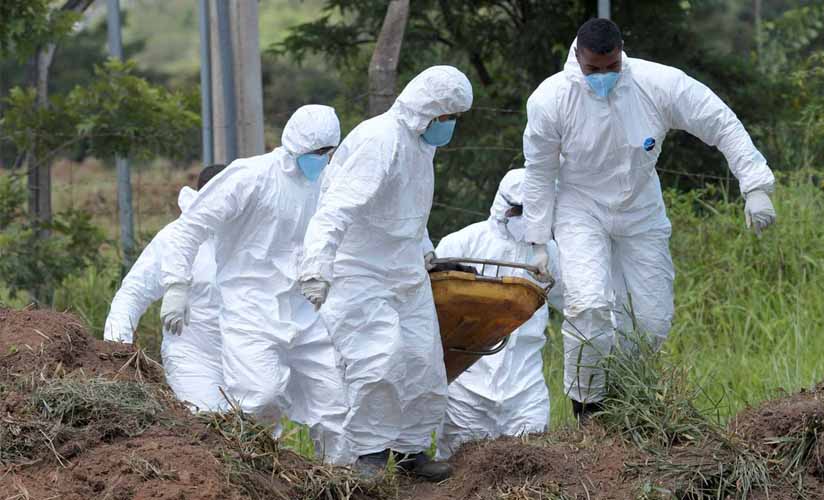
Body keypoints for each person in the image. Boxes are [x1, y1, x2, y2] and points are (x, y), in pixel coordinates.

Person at [522, 19, 777, 417]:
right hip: (581, 207)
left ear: (621, 53)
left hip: (640, 207)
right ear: (578, 58)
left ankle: (626, 394)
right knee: (588, 305)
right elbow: (539, 171)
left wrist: (755, 185)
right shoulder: (551, 99)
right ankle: (588, 409)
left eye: (611, 67)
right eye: (593, 70)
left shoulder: (658, 84)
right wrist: (537, 240)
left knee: (652, 320)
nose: (603, 77)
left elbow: (719, 121)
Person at [297, 66, 473, 480]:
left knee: (422, 361)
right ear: (428, 111)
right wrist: (317, 266)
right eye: (448, 117)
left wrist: (429, 256)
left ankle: (411, 451)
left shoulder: (420, 146)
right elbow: (336, 208)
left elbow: (407, 213)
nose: (450, 126)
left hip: (405, 270)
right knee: (378, 359)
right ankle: (370, 454)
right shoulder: (381, 139)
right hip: (360, 270)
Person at [158, 105, 350, 464]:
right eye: (317, 152)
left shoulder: (326, 182)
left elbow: (341, 226)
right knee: (260, 396)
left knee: (333, 399)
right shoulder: (250, 177)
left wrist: (320, 272)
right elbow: (190, 227)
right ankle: (254, 469)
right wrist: (176, 285)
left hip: (304, 307)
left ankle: (343, 478)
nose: (324, 159)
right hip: (250, 306)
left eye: (329, 152)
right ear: (296, 146)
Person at [434, 168, 565, 459]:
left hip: (525, 389)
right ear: (502, 205)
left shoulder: (549, 255)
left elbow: (576, 305)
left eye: (535, 211)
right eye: (519, 211)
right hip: (466, 388)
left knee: (532, 466)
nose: (527, 218)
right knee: (458, 470)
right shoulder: (461, 243)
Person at [104, 164, 226, 412]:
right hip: (194, 358)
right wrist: (118, 348)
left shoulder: (254, 235)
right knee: (207, 420)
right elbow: (134, 292)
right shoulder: (174, 238)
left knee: (260, 420)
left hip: (248, 357)